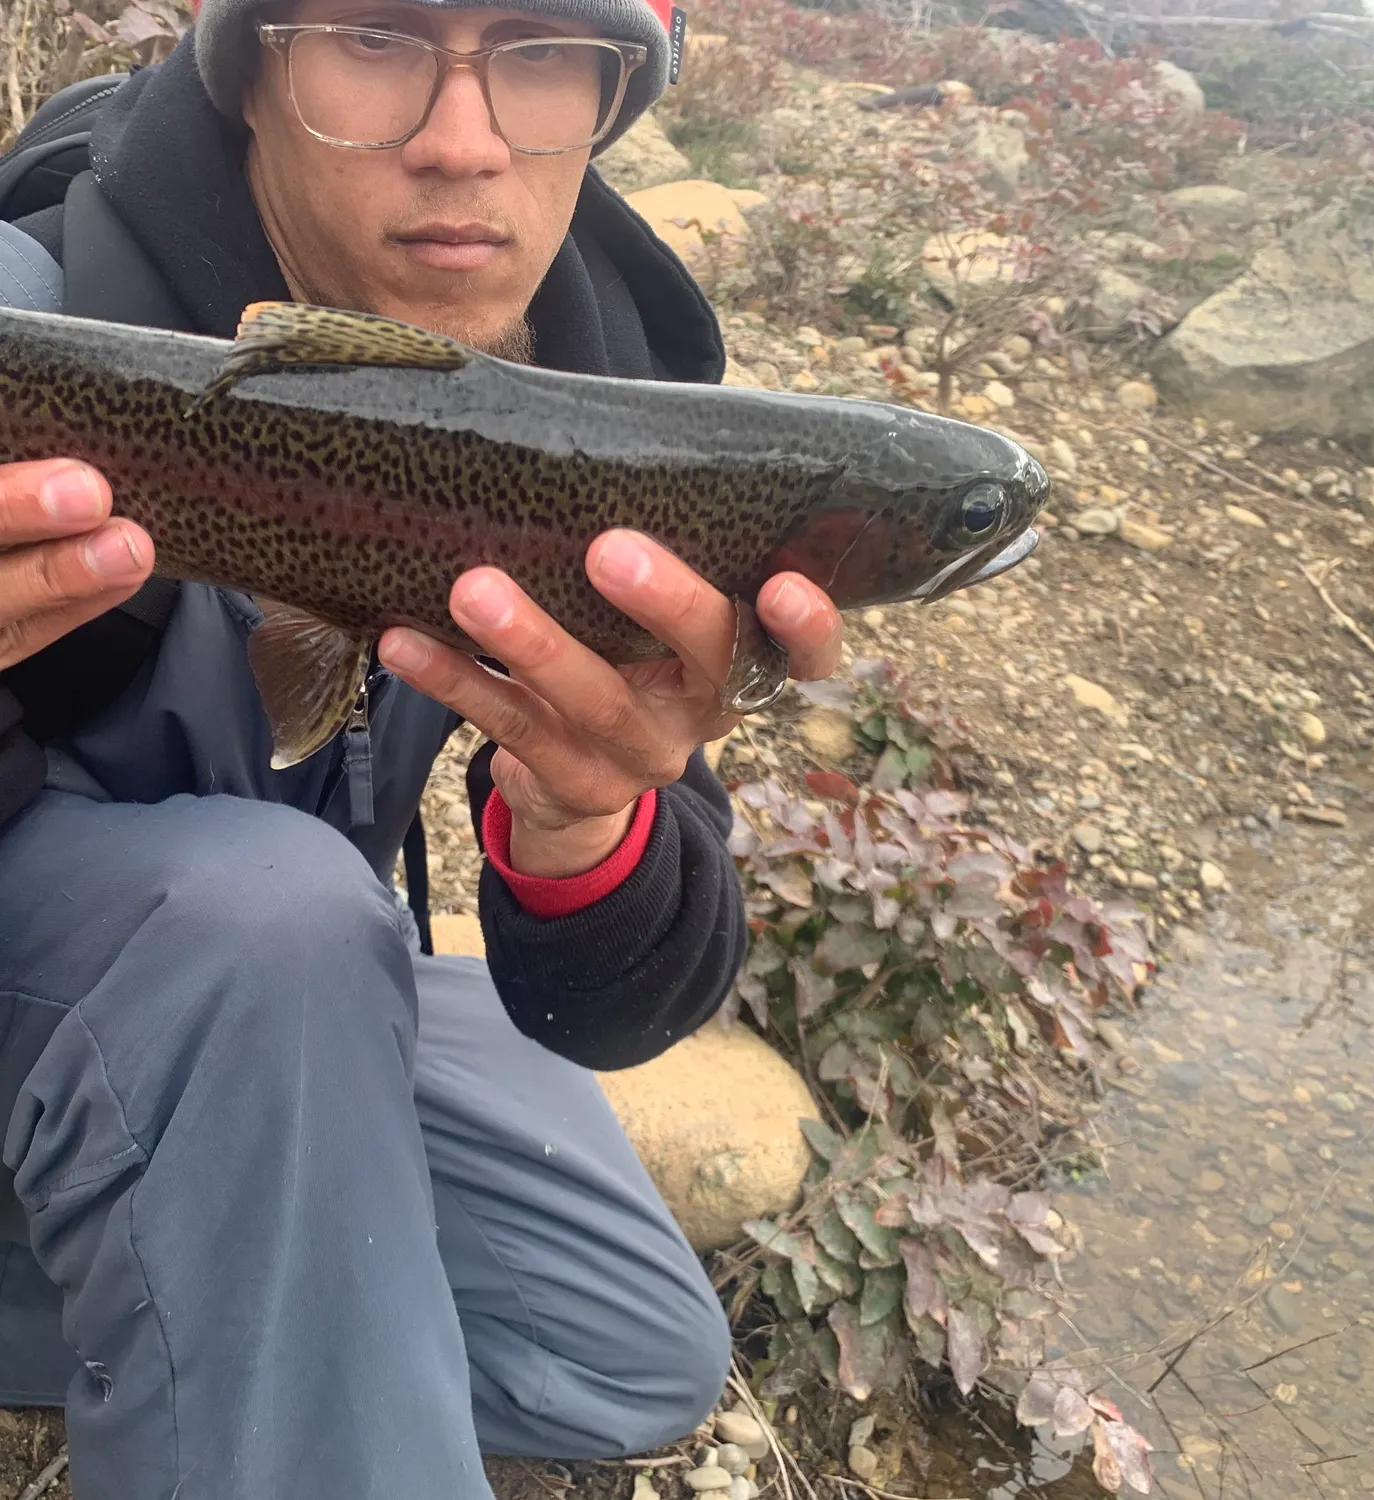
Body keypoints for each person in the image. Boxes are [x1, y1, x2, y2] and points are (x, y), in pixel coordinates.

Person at [0, 0, 844, 1493]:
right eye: (377, 36)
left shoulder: (621, 419)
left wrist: (587, 822)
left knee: (625, 1348)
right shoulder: (36, 314)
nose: (460, 143)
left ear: (616, 94)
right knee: (272, 931)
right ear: (250, 68)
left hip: (261, 1001)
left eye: (536, 51)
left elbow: (612, 1010)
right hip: (173, 960)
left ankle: (180, 1293)